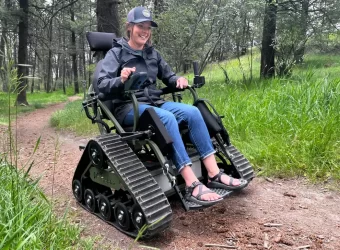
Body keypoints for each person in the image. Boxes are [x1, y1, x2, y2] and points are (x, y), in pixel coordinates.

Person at [97, 6, 247, 206]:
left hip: (154, 103)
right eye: (141, 26)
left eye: (148, 27)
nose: (145, 31)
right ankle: (192, 184)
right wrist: (121, 79)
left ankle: (214, 174)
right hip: (127, 107)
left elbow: (168, 76)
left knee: (193, 112)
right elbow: (101, 85)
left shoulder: (152, 53)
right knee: (164, 118)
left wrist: (178, 80)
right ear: (130, 27)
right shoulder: (115, 54)